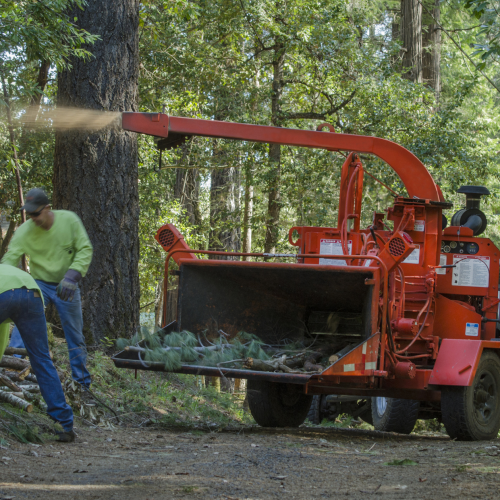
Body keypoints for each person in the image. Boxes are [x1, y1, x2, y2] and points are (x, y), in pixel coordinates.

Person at [1, 188, 93, 390]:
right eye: (30, 213)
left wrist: (73, 275)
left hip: (66, 284)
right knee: (22, 321)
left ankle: (81, 382)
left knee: (74, 334)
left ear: (48, 209)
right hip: (38, 284)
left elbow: (85, 249)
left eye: (36, 213)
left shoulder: (69, 221)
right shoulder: (24, 231)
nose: (33, 218)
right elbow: (9, 260)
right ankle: (13, 368)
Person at [0, 264, 75, 442]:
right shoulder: (6, 271)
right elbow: (3, 331)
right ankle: (64, 424)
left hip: (5, 293)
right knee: (41, 358)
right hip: (32, 292)